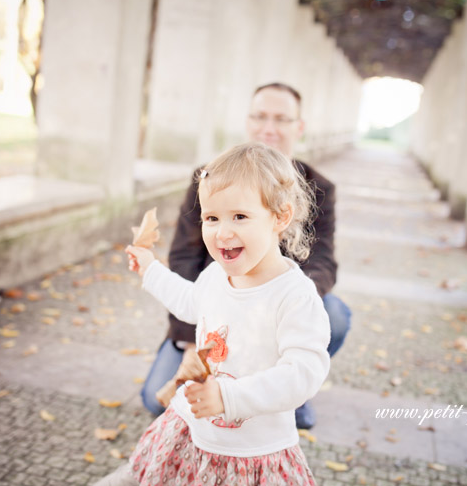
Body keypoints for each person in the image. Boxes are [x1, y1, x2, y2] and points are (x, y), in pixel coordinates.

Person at [94, 142, 330, 485]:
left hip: (251, 453)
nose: (223, 232)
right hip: (189, 428)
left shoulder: (294, 295)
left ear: (280, 216)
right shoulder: (217, 275)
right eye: (212, 218)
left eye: (240, 216)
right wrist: (151, 270)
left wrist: (228, 396)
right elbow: (192, 302)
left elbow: (303, 373)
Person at [141, 83, 351, 429]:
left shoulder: (319, 187)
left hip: (278, 300)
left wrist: (276, 302)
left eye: (281, 119)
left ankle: (285, 385)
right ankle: (237, 378)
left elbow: (323, 261)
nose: (268, 128)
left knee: (334, 315)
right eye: (260, 116)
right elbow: (183, 259)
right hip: (216, 305)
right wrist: (194, 342)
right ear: (247, 121)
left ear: (299, 127)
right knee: (157, 400)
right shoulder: (209, 177)